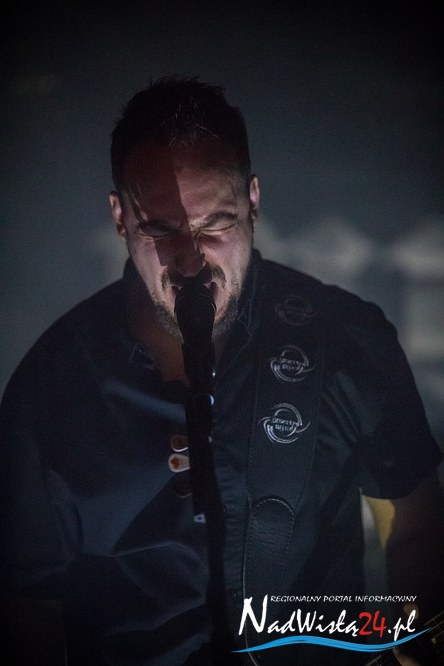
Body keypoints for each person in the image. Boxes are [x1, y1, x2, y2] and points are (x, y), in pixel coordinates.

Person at [1, 75, 443, 666]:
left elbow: (416, 518)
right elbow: (27, 601)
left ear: (253, 201)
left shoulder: (345, 337)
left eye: (216, 224)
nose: (191, 260)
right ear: (119, 217)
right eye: (160, 229)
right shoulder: (51, 381)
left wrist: (412, 651)